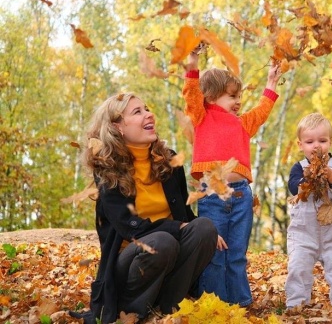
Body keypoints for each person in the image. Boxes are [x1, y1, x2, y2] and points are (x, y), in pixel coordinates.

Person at [75, 93, 218, 323]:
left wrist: (203, 232)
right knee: (161, 241)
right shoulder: (107, 169)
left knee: (204, 228)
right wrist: (177, 227)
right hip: (130, 261)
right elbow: (132, 229)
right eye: (137, 112)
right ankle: (132, 313)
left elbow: (184, 214)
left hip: (168, 250)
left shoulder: (168, 160)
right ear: (117, 126)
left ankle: (167, 307)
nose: (148, 114)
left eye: (147, 108)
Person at [182, 50, 283, 307]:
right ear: (212, 96)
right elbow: (191, 94)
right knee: (216, 252)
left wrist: (271, 82)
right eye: (232, 96)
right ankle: (215, 303)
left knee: (236, 253)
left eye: (239, 96)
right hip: (213, 196)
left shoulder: (242, 123)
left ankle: (240, 303)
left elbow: (262, 110)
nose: (238, 101)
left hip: (241, 196)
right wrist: (192, 63)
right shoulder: (202, 116)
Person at [285, 113, 332, 309]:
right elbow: (293, 187)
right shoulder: (299, 168)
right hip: (303, 234)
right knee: (298, 269)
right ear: (300, 145)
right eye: (310, 141)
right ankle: (296, 305)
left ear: (330, 142)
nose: (316, 146)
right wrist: (306, 181)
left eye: (322, 140)